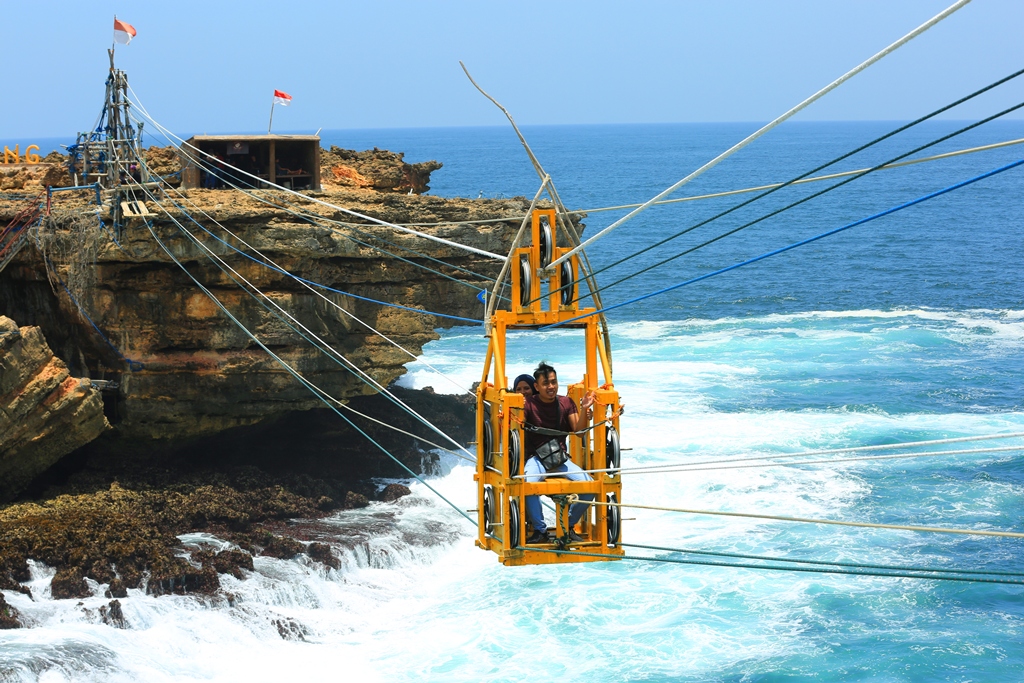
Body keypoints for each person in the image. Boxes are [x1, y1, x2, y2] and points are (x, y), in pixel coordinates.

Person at [522, 362, 596, 544]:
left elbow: (578, 432)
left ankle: (568, 525)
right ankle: (540, 530)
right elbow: (516, 428)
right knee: (528, 487)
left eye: (554, 382)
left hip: (559, 458)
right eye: (546, 383)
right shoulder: (528, 405)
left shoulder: (565, 402)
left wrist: (585, 408)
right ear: (537, 387)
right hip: (536, 459)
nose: (551, 387)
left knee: (590, 487)